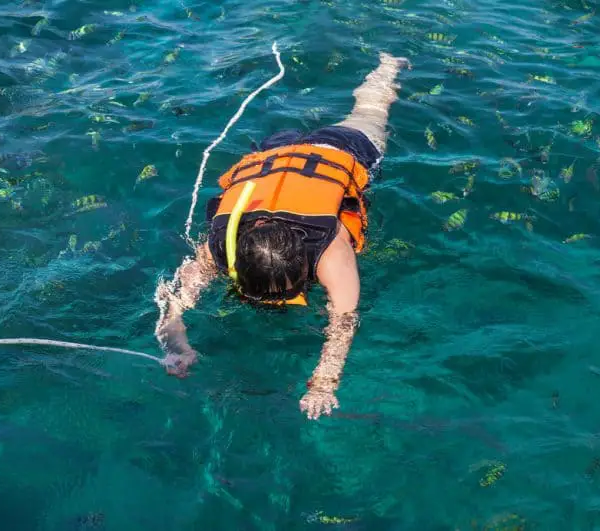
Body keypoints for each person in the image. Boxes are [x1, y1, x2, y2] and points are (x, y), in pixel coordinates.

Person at [155, 52, 409, 420]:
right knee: (368, 109)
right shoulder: (221, 246)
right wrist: (176, 346)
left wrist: (325, 382)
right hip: (284, 153)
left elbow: (343, 322)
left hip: (333, 148)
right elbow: (173, 304)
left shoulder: (330, 250)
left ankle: (389, 66)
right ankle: (386, 66)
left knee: (372, 111)